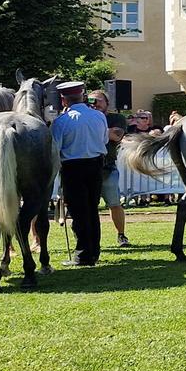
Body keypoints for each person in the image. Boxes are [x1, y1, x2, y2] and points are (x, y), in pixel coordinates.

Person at [51, 81, 109, 266]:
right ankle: (94, 251)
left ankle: (83, 254)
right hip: (96, 164)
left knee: (78, 211)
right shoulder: (99, 116)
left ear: (63, 99)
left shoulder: (62, 121)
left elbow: (56, 148)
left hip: (73, 167)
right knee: (92, 209)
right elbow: (105, 139)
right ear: (82, 95)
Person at [88, 91, 130, 248]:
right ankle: (89, 239)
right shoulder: (86, 117)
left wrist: (87, 129)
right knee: (88, 206)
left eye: (99, 101)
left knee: (114, 203)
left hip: (107, 167)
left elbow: (116, 135)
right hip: (87, 168)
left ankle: (121, 235)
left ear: (107, 103)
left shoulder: (116, 118)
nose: (95, 104)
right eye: (92, 101)